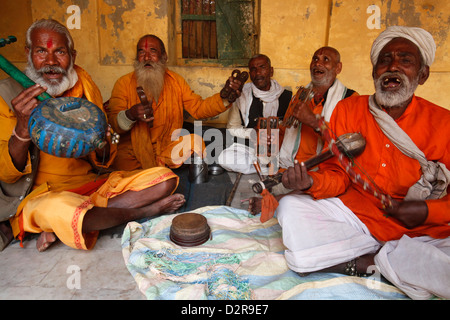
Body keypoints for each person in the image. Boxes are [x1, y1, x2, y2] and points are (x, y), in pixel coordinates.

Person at [276, 26, 450, 300]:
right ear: (374, 71)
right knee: (290, 207)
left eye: (405, 60)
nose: (392, 67)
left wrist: (425, 212)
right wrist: (311, 182)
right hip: (359, 217)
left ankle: (366, 262)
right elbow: (339, 173)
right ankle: (387, 262)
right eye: (384, 60)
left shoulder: (444, 123)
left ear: (422, 74)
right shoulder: (349, 109)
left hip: (421, 231)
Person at [0, 19, 185, 252]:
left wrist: (98, 140)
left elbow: (105, 154)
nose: (51, 62)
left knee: (164, 180)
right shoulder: (7, 95)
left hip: (91, 184)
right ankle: (142, 212)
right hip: (44, 194)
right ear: (28, 53)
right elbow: (6, 174)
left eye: (59, 52)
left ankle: (79, 219)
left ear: (72, 56)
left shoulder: (84, 85)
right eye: (41, 52)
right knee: (55, 207)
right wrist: (23, 128)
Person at [106, 34, 243, 171]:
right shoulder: (123, 83)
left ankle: (158, 174)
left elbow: (199, 108)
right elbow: (113, 123)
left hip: (166, 150)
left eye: (152, 51)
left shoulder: (176, 82)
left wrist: (224, 97)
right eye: (141, 52)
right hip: (133, 153)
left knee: (194, 141)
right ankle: (159, 177)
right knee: (123, 168)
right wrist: (130, 114)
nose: (146, 58)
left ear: (164, 57)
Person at [248, 47, 357, 214]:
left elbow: (349, 144)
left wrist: (314, 122)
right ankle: (284, 197)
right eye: (315, 59)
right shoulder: (301, 95)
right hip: (289, 167)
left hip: (321, 172)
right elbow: (287, 129)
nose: (318, 63)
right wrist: (272, 138)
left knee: (325, 188)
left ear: (338, 68)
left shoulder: (351, 100)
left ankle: (278, 201)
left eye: (325, 59)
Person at [217, 54, 292, 175]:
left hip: (279, 149)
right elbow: (232, 128)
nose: (257, 73)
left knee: (296, 157)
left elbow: (292, 131)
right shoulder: (241, 95)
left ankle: (268, 166)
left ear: (271, 71)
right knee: (224, 158)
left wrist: (275, 133)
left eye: (262, 67)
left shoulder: (287, 97)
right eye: (253, 69)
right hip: (251, 149)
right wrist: (253, 132)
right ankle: (268, 170)